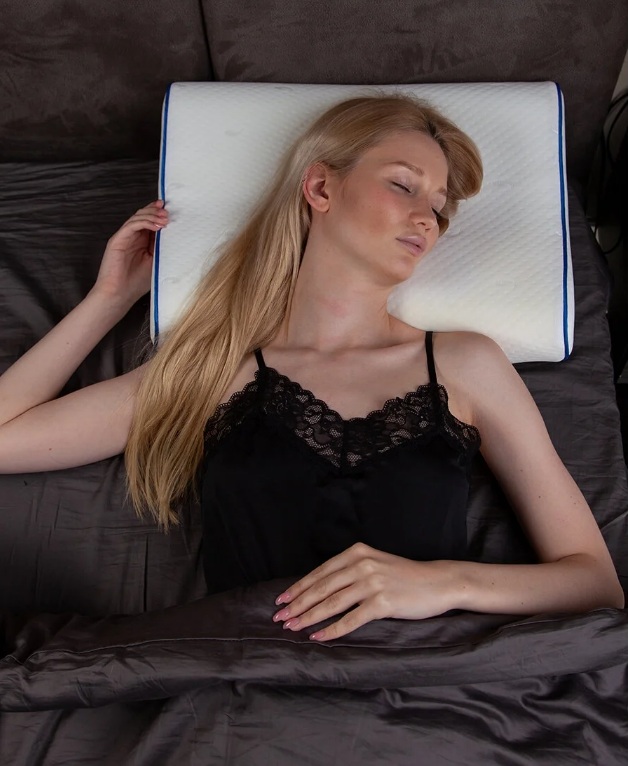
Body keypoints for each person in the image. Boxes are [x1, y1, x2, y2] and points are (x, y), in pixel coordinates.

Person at [0, 94, 623, 643]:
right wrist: (110, 299)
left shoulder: (465, 363)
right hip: (251, 692)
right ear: (321, 188)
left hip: (427, 694)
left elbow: (595, 583)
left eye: (439, 207)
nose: (426, 219)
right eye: (403, 185)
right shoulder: (215, 372)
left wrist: (440, 582)